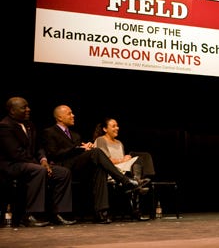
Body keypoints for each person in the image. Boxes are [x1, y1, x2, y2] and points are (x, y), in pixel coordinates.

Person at [42, 105, 146, 224]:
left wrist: (86, 148)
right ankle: (124, 180)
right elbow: (53, 153)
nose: (73, 115)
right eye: (69, 113)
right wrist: (79, 149)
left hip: (78, 168)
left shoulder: (75, 135)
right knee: (96, 152)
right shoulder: (49, 132)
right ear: (59, 117)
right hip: (63, 166)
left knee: (99, 168)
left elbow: (79, 153)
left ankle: (101, 213)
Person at [0, 97, 76, 226]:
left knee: (63, 172)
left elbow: (38, 147)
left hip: (32, 163)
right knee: (38, 170)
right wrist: (40, 165)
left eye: (28, 106)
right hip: (11, 165)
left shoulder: (30, 125)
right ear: (12, 111)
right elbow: (16, 153)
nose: (28, 109)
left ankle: (58, 213)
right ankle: (30, 215)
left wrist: (44, 161)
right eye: (24, 107)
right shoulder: (5, 126)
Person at [93, 117, 154, 220]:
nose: (117, 128)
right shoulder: (101, 140)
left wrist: (125, 160)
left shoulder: (119, 143)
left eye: (117, 125)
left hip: (122, 171)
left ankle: (136, 182)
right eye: (113, 126)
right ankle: (136, 185)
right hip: (109, 171)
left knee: (137, 159)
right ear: (105, 129)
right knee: (132, 171)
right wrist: (123, 160)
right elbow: (105, 160)